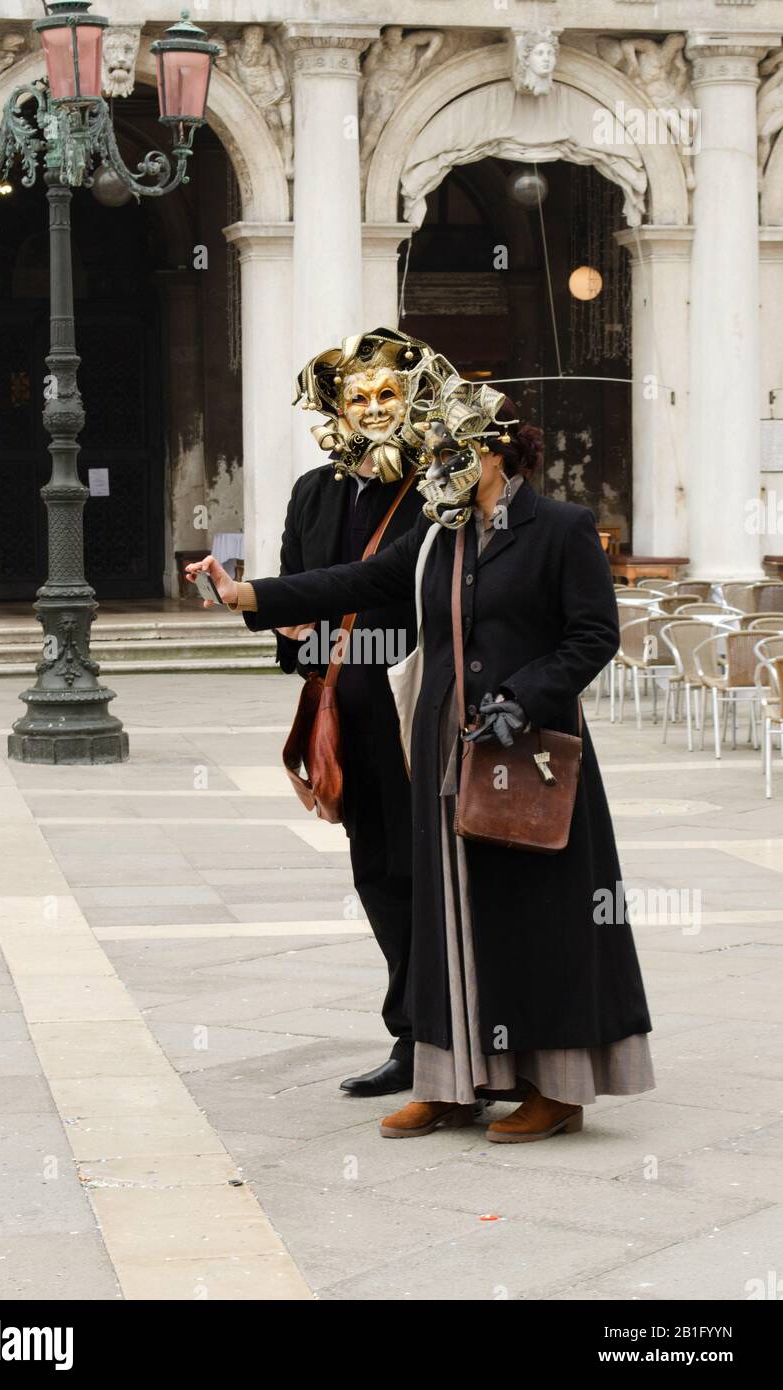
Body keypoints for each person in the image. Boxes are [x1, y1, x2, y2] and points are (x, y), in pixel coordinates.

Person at [187, 370, 654, 1143]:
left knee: (534, 913)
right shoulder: (437, 533)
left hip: (528, 747)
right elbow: (358, 579)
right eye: (430, 449)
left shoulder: (560, 528)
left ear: (497, 451)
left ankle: (554, 1088)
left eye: (448, 448)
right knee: (448, 913)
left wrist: (524, 696)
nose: (433, 462)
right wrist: (246, 596)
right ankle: (453, 1081)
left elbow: (592, 636)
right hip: (442, 743)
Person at [246, 328, 433, 1098]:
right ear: (336, 408)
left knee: (423, 870)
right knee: (376, 871)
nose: (373, 408)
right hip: (344, 711)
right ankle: (410, 1035)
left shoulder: (432, 487)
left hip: (414, 707)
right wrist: (292, 637)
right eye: (358, 397)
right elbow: (301, 583)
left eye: (387, 393)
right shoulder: (311, 491)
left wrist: (268, 601)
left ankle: (447, 1032)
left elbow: (402, 589)